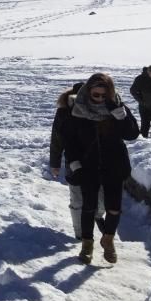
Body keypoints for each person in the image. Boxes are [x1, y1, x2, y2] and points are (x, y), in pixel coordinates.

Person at [62, 73, 139, 264]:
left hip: (114, 165)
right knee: (89, 206)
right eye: (96, 95)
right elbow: (70, 140)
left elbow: (132, 134)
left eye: (105, 95)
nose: (100, 99)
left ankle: (108, 239)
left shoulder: (117, 106)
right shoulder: (77, 110)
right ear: (88, 92)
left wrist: (119, 114)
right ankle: (87, 245)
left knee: (114, 208)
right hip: (88, 166)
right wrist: (75, 164)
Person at [50, 82, 105, 239]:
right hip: (73, 162)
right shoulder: (63, 112)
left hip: (98, 162)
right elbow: (56, 139)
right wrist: (54, 163)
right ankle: (80, 235)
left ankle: (97, 216)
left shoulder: (98, 109)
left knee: (101, 200)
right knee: (77, 199)